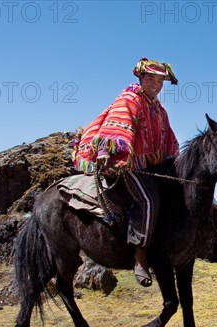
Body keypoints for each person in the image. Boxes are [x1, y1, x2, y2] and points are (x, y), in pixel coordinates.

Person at [72, 58, 179, 287]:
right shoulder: (130, 99)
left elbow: (169, 140)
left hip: (151, 166)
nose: (156, 84)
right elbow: (117, 124)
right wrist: (105, 150)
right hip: (127, 163)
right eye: (151, 78)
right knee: (149, 200)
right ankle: (140, 254)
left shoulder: (160, 110)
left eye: (160, 80)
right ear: (140, 78)